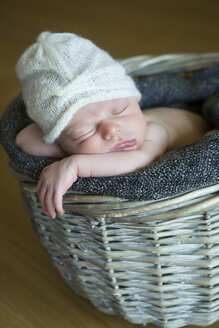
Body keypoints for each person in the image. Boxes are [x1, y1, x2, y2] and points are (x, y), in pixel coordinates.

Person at [15, 31, 211, 219]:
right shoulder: (70, 139)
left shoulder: (153, 130)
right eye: (85, 132)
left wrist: (75, 165)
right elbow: (23, 139)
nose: (112, 130)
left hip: (204, 129)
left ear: (136, 101)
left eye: (120, 110)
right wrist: (64, 144)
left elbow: (142, 159)